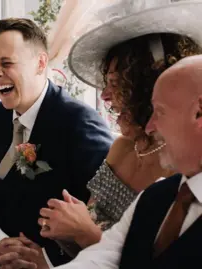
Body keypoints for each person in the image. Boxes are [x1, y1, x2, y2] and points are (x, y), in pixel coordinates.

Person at [0, 18, 113, 269]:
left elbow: (103, 221)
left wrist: (47, 260)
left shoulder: (80, 124)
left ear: (40, 63)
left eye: (6, 64)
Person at [37, 10, 202, 259]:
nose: (104, 95)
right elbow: (89, 250)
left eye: (116, 84)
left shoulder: (182, 168)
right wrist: (58, 239)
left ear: (149, 86)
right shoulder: (122, 147)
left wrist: (84, 231)